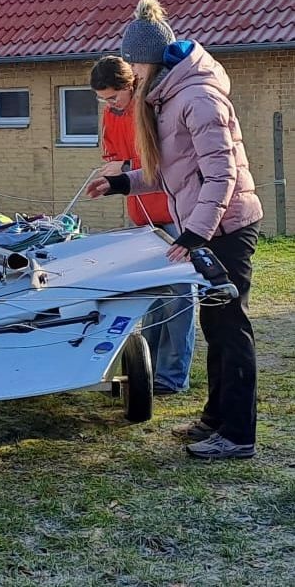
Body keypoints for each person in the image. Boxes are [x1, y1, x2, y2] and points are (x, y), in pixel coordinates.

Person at [87, 0, 263, 459]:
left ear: (151, 62)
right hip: (210, 227)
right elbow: (171, 169)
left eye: (135, 69)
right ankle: (215, 420)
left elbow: (221, 175)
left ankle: (239, 434)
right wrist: (123, 183)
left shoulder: (199, 97)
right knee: (214, 324)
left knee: (230, 328)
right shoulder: (169, 97)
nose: (132, 77)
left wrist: (195, 233)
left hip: (227, 228)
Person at [90, 55, 196, 395]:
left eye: (113, 97)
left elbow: (165, 160)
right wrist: (112, 170)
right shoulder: (111, 115)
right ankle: (145, 372)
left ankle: (172, 375)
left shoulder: (152, 109)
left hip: (172, 212)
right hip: (141, 216)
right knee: (149, 296)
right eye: (103, 99)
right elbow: (114, 156)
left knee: (179, 295)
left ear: (130, 86)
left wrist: (127, 169)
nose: (109, 104)